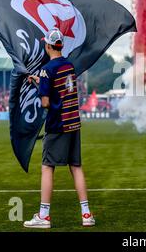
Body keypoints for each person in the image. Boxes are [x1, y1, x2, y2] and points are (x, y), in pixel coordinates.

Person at [24, 28, 95, 229]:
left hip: (57, 124)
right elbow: (60, 88)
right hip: (74, 123)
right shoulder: (69, 65)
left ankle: (44, 216)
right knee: (76, 167)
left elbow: (46, 102)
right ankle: (86, 214)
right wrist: (41, 81)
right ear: (60, 45)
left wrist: (40, 84)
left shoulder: (47, 69)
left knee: (47, 167)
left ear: (47, 45)